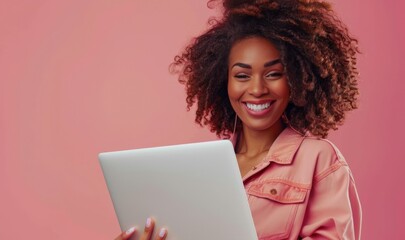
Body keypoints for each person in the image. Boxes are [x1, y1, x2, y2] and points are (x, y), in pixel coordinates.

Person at [116, 0, 362, 239]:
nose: (257, 89)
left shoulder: (319, 160)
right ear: (225, 82)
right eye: (242, 75)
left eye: (274, 74)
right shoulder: (203, 170)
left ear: (297, 79)